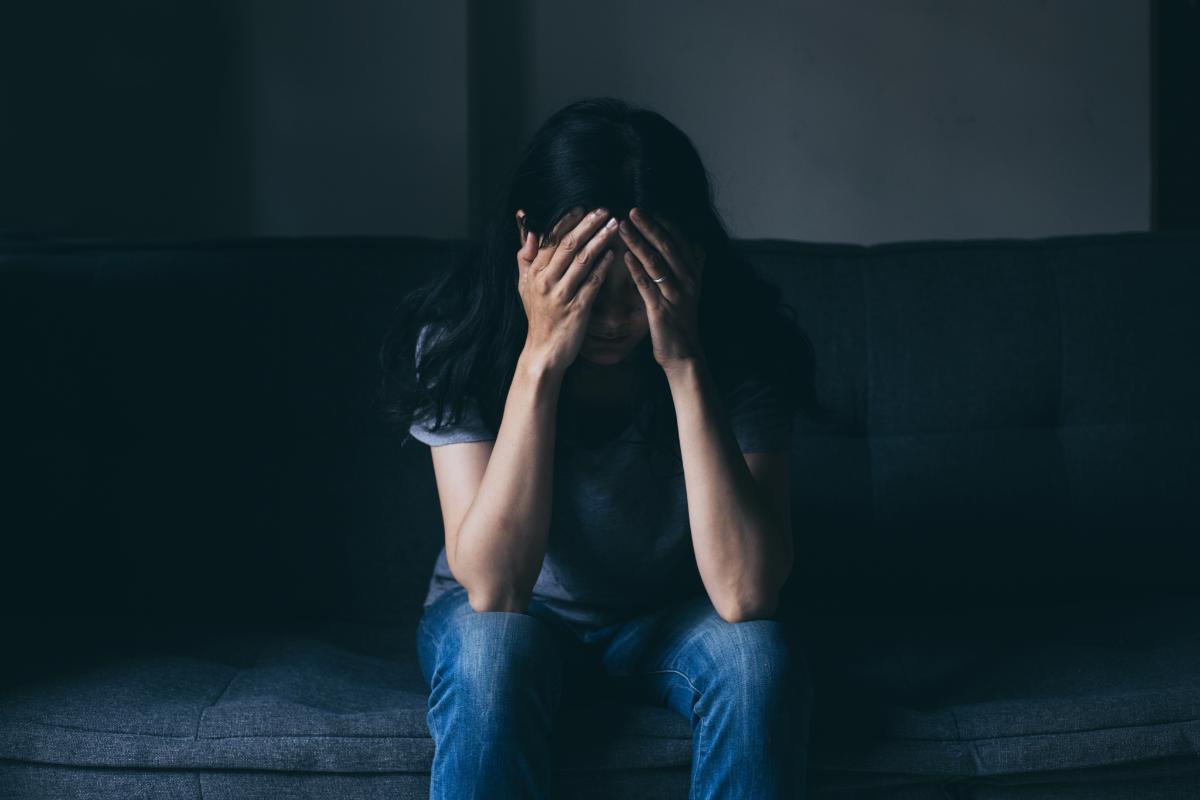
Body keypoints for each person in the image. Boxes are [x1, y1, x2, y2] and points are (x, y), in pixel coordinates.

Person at [377, 96, 828, 799]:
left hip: (675, 618)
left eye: (640, 288)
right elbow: (494, 588)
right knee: (490, 653)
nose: (615, 321)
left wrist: (684, 361)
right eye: (588, 284)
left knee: (756, 659)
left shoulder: (742, 343)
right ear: (528, 240)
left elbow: (746, 593)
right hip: (519, 619)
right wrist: (538, 364)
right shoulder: (460, 336)